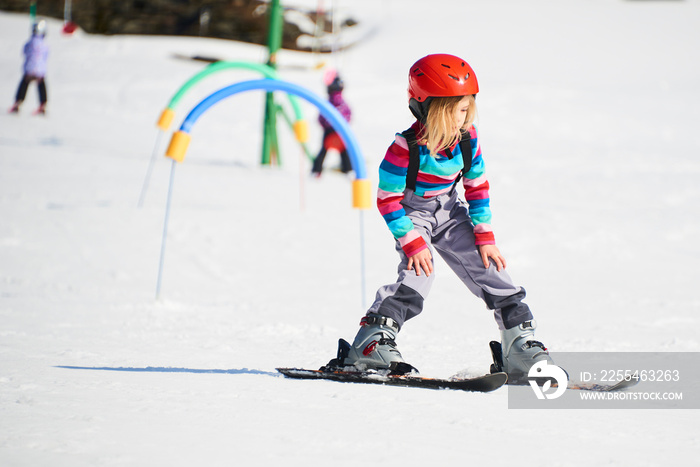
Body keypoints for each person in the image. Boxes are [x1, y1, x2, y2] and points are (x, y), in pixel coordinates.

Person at [331, 54, 553, 381]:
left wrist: (484, 236)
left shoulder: (467, 139)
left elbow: (476, 186)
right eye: (457, 111)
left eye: (468, 110)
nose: (464, 119)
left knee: (490, 268)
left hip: (450, 210)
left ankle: (518, 346)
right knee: (419, 274)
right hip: (412, 213)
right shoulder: (404, 147)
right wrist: (412, 242)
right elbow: (387, 198)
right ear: (429, 110)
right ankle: (371, 342)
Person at [311, 69, 352, 176]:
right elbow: (348, 114)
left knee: (324, 149)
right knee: (343, 149)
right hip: (340, 130)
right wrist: (344, 124)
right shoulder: (341, 102)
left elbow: (322, 116)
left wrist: (325, 125)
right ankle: (348, 168)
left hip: (329, 129)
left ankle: (316, 169)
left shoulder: (329, 102)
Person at [10, 20, 49, 115]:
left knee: (24, 84)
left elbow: (25, 52)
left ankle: (18, 102)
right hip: (40, 70)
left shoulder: (30, 42)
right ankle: (42, 104)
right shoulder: (44, 44)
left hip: (29, 69)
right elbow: (46, 55)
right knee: (41, 85)